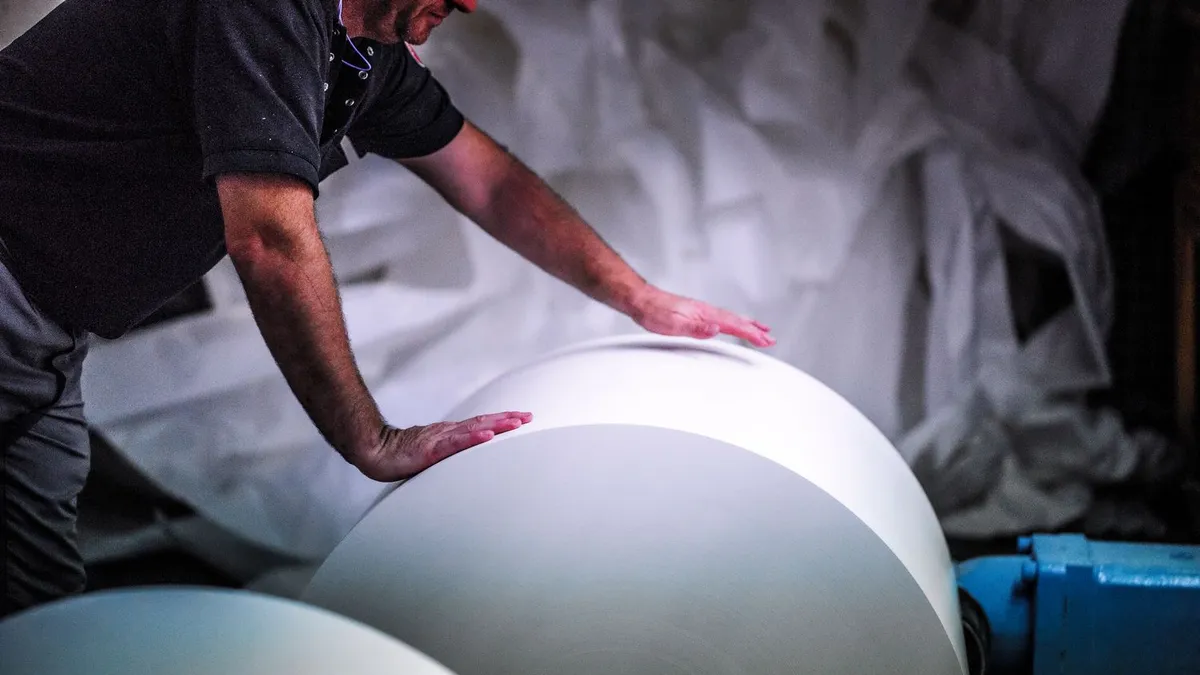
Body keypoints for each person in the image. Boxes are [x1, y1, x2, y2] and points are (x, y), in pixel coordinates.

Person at [0, 0, 775, 616]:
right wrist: (372, 439)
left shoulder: (363, 64)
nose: (469, 3)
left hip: (46, 344)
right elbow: (269, 240)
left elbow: (491, 183)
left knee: (35, 610)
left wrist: (640, 299)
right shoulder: (261, 11)